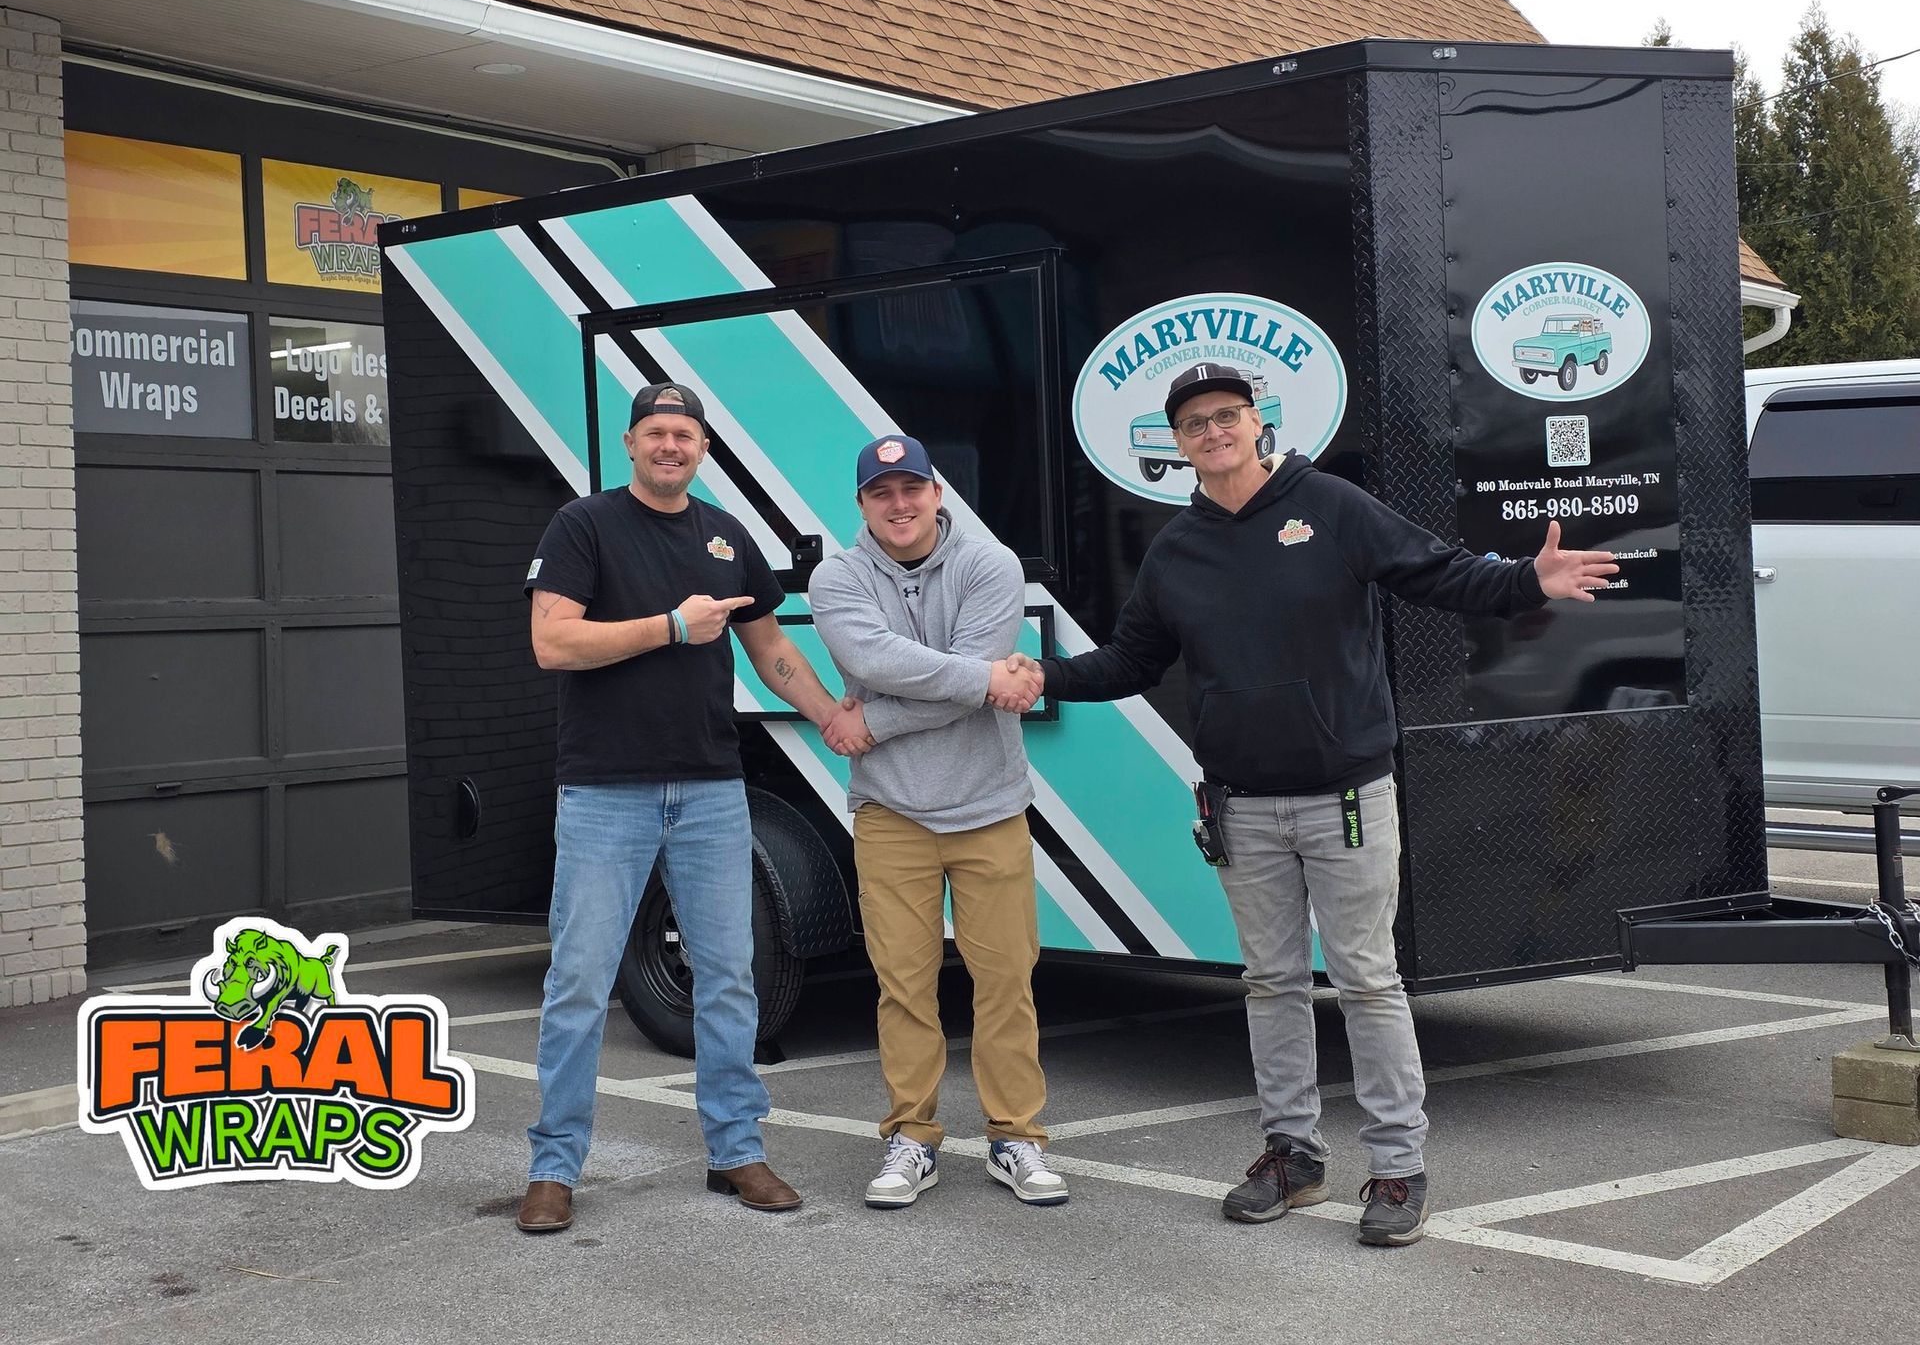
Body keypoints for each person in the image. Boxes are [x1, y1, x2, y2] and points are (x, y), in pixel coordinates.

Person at [994, 361, 1617, 1246]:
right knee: (1271, 984)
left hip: (1346, 798)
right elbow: (1132, 661)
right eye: (1194, 424)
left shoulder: (1328, 505)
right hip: (1241, 807)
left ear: (1257, 423)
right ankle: (1292, 1156)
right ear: (1176, 446)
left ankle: (1397, 1170)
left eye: (1227, 416)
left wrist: (1527, 579)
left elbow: (1437, 573)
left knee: (1367, 981)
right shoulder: (1177, 551)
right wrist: (1045, 675)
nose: (1213, 432)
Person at [516, 381, 863, 1233]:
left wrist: (827, 715)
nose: (672, 446)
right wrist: (670, 626)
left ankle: (736, 1151)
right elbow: (552, 641)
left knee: (730, 978)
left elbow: (769, 645)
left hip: (710, 790)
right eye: (657, 433)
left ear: (703, 448)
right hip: (605, 790)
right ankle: (554, 1167)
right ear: (631, 444)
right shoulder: (583, 526)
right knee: (579, 982)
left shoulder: (725, 535)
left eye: (686, 435)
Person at [809, 434, 1068, 1209]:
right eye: (881, 492)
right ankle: (910, 1139)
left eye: (910, 488)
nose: (899, 504)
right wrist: (982, 677)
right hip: (891, 814)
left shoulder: (991, 564)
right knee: (904, 984)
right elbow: (888, 660)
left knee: (1007, 980)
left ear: (936, 493)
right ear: (862, 505)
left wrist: (875, 724)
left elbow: (948, 679)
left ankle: (1015, 1136)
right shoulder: (837, 577)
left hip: (989, 805)